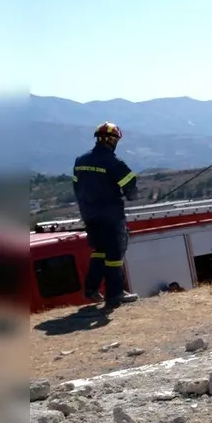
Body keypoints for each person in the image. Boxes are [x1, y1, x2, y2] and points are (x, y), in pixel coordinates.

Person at [73, 122, 140, 308]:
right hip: (110, 215)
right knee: (114, 254)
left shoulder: (80, 160)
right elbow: (131, 187)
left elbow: (76, 186)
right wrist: (132, 195)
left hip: (89, 214)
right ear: (113, 140)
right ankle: (115, 294)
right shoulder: (113, 162)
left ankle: (91, 289)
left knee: (99, 251)